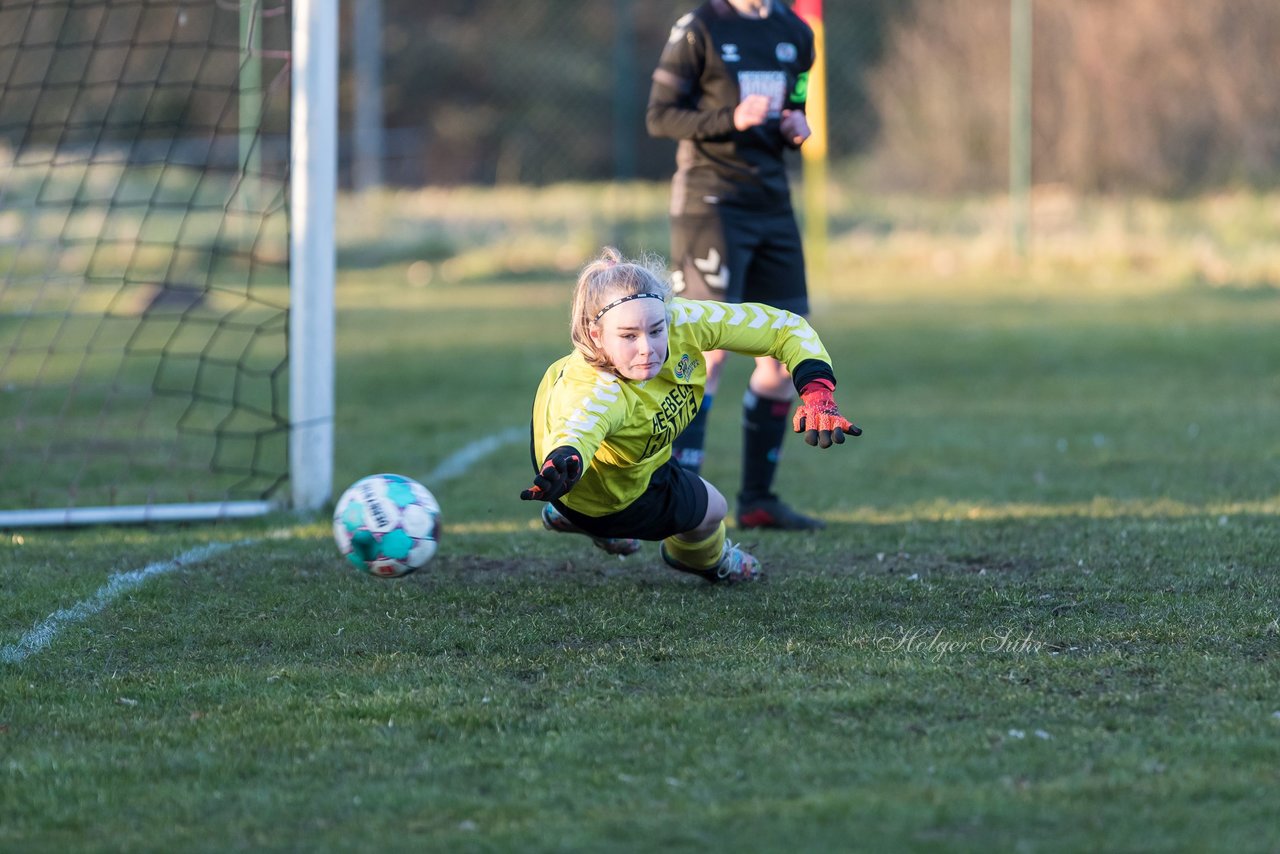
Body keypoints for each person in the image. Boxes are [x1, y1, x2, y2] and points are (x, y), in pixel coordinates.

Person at [520, 248, 859, 584]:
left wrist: (817, 391)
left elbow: (783, 327)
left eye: (655, 330)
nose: (646, 348)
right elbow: (579, 425)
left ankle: (574, 516)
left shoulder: (681, 320)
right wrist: (567, 457)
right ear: (596, 335)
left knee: (671, 481)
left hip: (631, 465)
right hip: (595, 491)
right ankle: (707, 560)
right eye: (628, 336)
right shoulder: (599, 390)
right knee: (714, 510)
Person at [646, 0, 823, 530]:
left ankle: (758, 500)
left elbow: (795, 102)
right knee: (711, 350)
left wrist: (795, 123)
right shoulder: (700, 26)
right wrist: (729, 118)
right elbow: (659, 116)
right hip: (710, 201)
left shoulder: (795, 30)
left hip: (771, 202)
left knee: (783, 351)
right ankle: (679, 498)